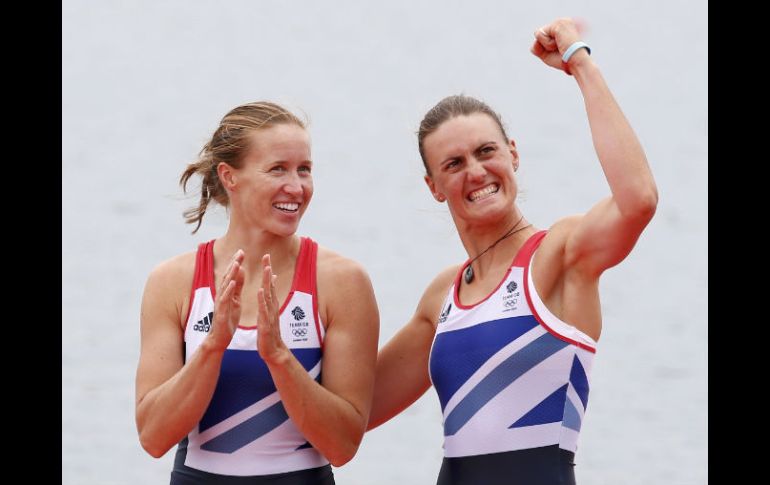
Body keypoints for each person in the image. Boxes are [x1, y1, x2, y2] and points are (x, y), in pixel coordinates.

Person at [367, 18, 658, 485]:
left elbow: (638, 200)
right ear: (434, 187)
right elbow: (350, 414)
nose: (477, 172)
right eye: (454, 164)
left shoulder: (560, 254)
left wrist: (579, 62)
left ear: (513, 154)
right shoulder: (441, 296)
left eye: (487, 152)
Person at [135, 101, 380, 484]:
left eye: (305, 170)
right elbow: (153, 436)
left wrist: (279, 357)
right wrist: (213, 346)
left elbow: (343, 445)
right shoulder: (173, 282)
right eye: (277, 169)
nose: (296, 187)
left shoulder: (342, 282)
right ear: (229, 177)